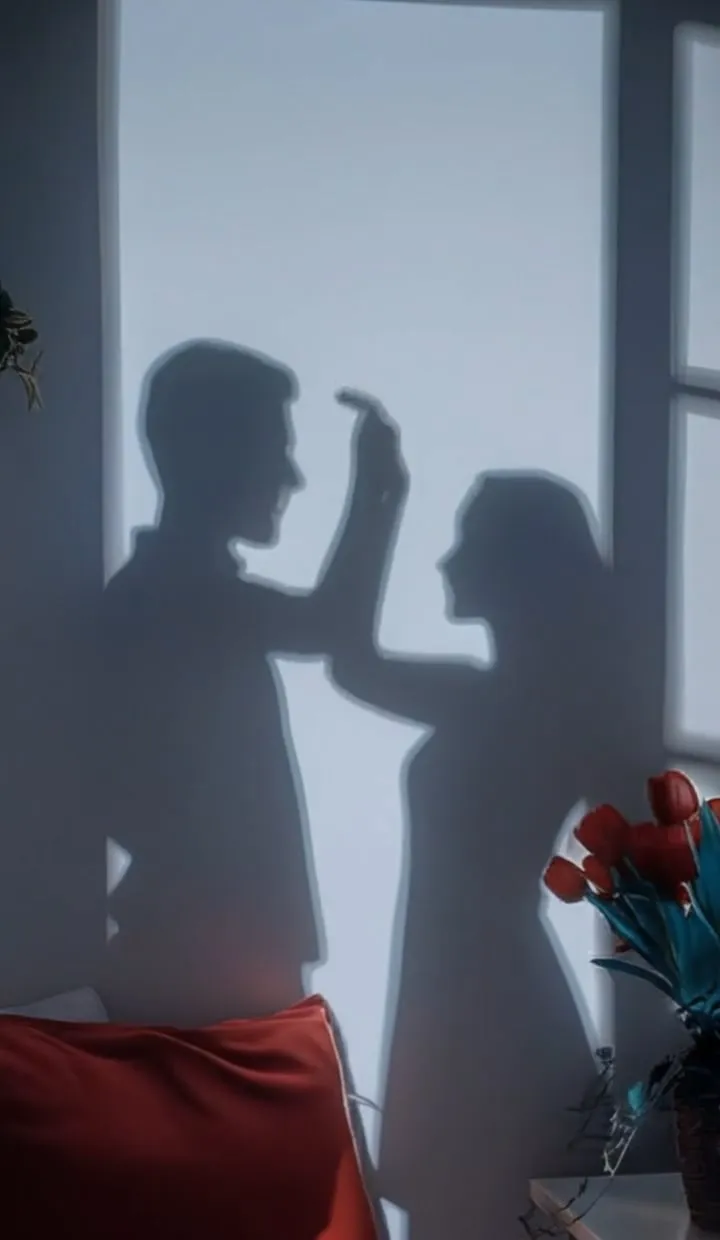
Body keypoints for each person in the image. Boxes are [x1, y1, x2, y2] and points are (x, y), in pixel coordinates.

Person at [330, 472, 622, 1240]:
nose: (447, 560)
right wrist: (378, 503)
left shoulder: (527, 707)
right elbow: (350, 663)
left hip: (491, 1010)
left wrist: (379, 505)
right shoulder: (496, 697)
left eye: (466, 541)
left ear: (516, 565)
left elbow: (349, 662)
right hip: (470, 996)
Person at [96, 339, 406, 1026]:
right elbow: (330, 627)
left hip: (216, 947)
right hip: (205, 961)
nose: (291, 476)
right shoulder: (171, 594)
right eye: (275, 450)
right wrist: (376, 496)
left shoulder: (169, 592)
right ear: (214, 456)